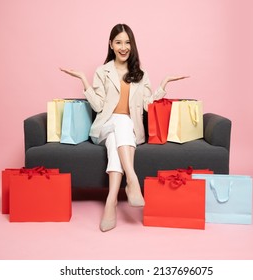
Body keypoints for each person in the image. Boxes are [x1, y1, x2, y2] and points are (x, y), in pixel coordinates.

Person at [60, 23, 188, 232]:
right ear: (111, 44)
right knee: (120, 121)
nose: (123, 47)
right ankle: (132, 178)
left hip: (126, 131)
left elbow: (147, 105)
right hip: (104, 126)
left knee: (117, 136)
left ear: (132, 45)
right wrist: (84, 80)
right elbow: (99, 106)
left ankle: (111, 201)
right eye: (118, 42)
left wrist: (163, 85)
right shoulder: (102, 71)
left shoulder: (141, 74)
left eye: (127, 42)